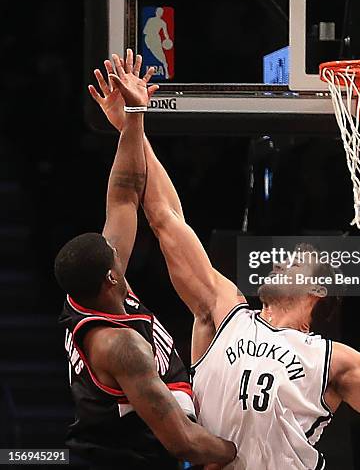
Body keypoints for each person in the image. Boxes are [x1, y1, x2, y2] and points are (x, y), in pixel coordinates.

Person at [91, 51, 360, 470]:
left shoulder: (332, 361)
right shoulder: (224, 310)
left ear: (319, 289)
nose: (282, 262)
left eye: (298, 260)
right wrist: (131, 123)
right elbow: (166, 218)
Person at [55, 54, 237, 470]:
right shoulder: (120, 346)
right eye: (116, 260)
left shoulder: (92, 289)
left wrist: (133, 117)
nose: (120, 252)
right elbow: (185, 444)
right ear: (110, 279)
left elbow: (124, 192)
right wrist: (242, 452)